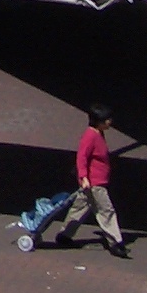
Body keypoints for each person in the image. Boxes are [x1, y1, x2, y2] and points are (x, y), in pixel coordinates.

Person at [47, 104, 128, 256]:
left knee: (80, 208)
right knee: (106, 211)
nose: (110, 122)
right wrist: (84, 177)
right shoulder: (90, 136)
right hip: (94, 183)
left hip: (92, 182)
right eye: (107, 119)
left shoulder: (98, 133)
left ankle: (64, 235)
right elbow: (82, 157)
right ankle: (116, 243)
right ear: (99, 121)